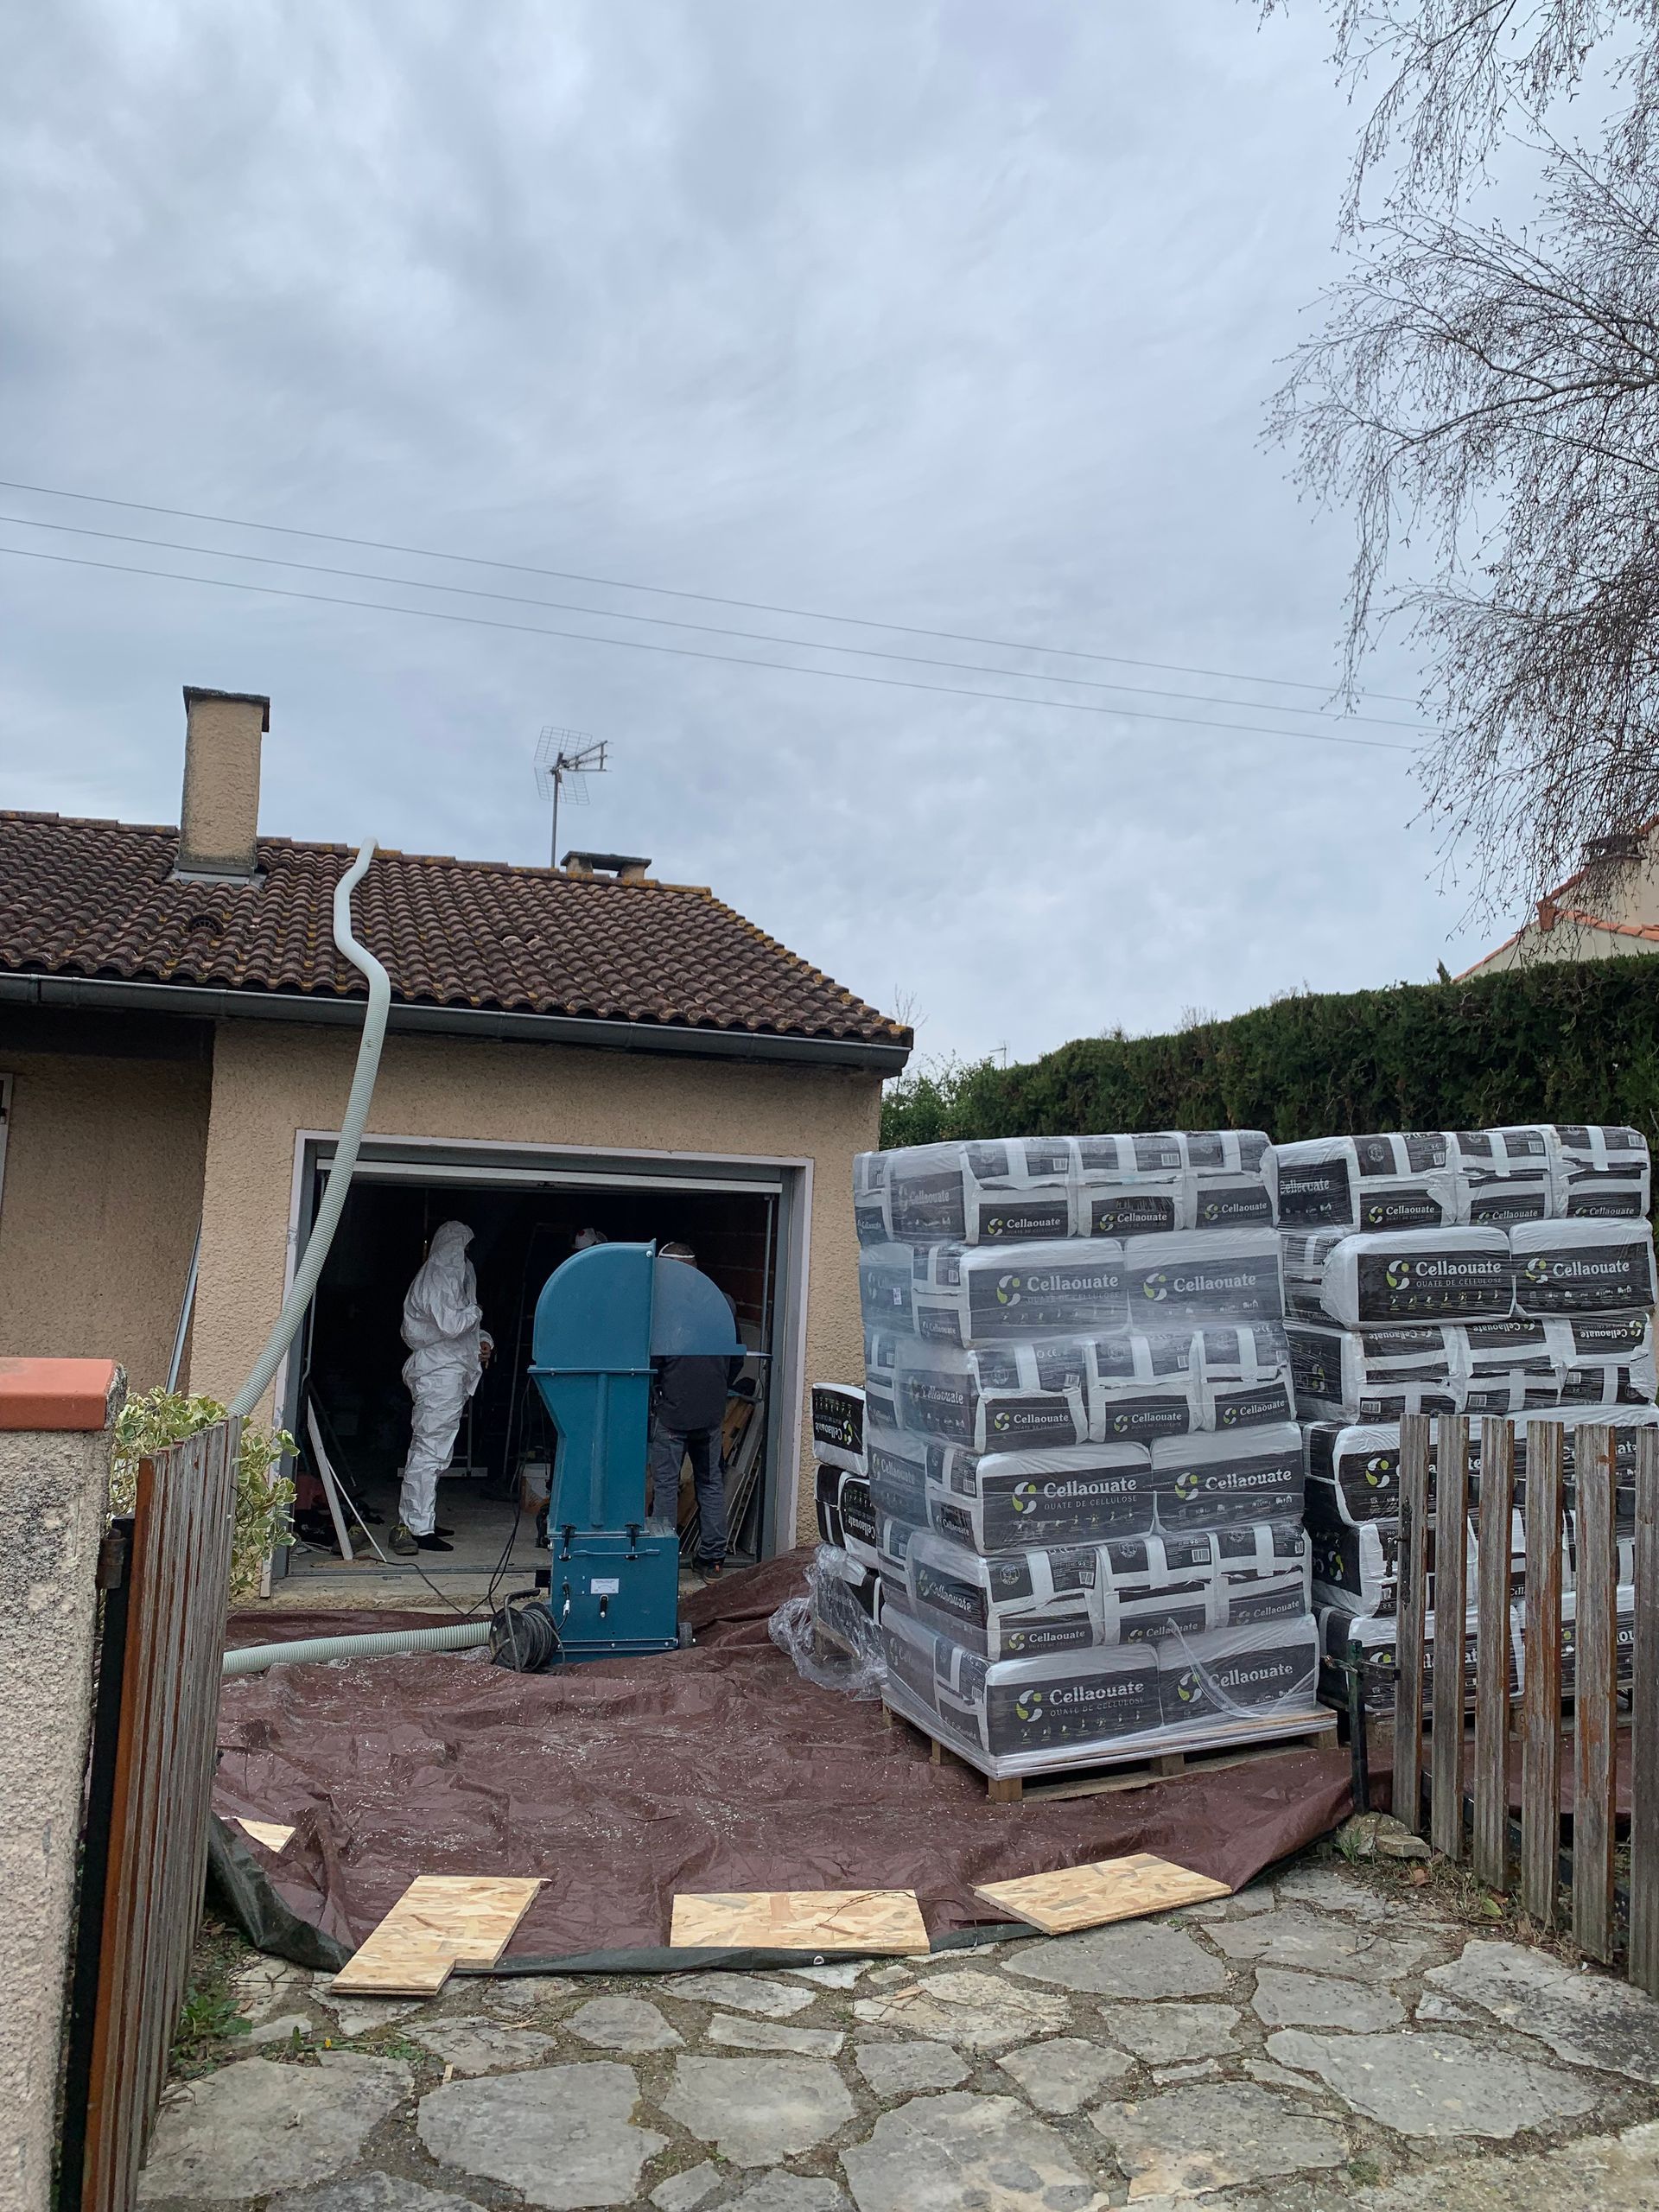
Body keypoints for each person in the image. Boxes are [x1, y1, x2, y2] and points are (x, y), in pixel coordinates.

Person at [390, 1220, 493, 1556]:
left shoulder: (454, 1278)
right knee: (429, 1450)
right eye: (464, 1248)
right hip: (439, 1372)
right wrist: (477, 1313)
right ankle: (418, 1527)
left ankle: (423, 1519)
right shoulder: (438, 1277)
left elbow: (463, 1330)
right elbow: (453, 1324)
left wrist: (484, 1341)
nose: (467, 1255)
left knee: (436, 1450)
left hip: (449, 1370)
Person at [648, 1240, 744, 1576]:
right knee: (709, 1482)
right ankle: (714, 1558)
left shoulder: (662, 1305)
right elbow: (736, 1356)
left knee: (666, 1484)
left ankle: (662, 1559)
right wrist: (719, 1388)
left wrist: (656, 1393)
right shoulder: (723, 1302)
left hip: (673, 1410)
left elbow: (654, 1360)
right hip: (710, 1411)